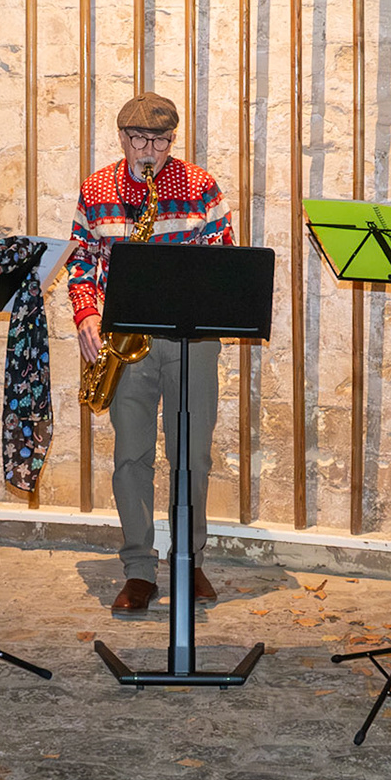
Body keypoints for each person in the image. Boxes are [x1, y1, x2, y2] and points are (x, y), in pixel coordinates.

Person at [69, 92, 233, 612]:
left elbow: (226, 261)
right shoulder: (97, 189)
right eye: (138, 139)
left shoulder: (200, 186)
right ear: (121, 137)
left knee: (194, 456)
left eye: (160, 141)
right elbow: (81, 264)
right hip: (125, 342)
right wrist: (86, 315)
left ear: (171, 141)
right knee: (130, 457)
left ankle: (191, 561)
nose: (149, 150)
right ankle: (139, 567)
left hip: (193, 339)